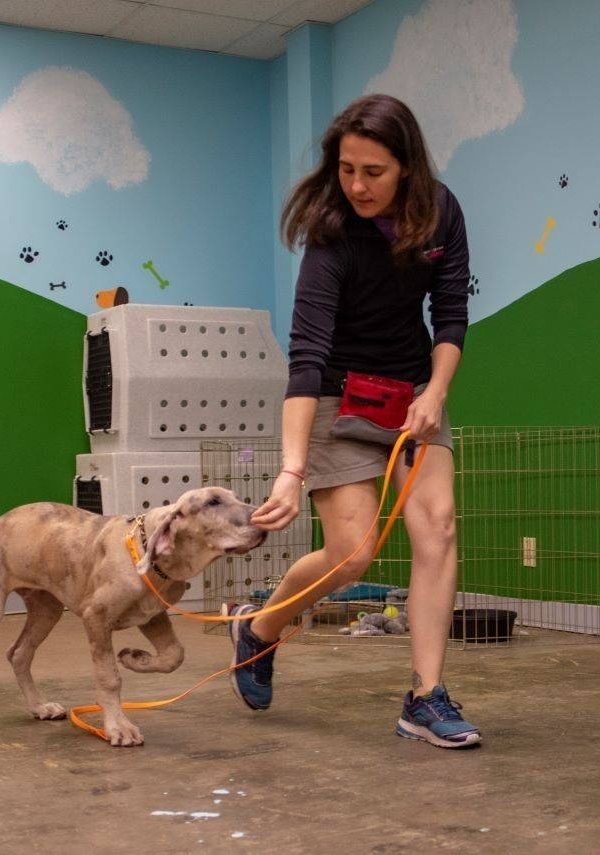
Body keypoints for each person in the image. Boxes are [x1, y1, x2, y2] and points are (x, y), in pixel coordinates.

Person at [226, 94, 480, 748]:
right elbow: (306, 356)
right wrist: (289, 470)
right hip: (337, 398)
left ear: (406, 168)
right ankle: (258, 629)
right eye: (346, 169)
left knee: (438, 528)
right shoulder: (331, 233)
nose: (357, 185)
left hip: (412, 393)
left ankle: (424, 697)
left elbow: (449, 316)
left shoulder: (440, 211)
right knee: (352, 554)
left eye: (372, 170)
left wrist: (434, 390)